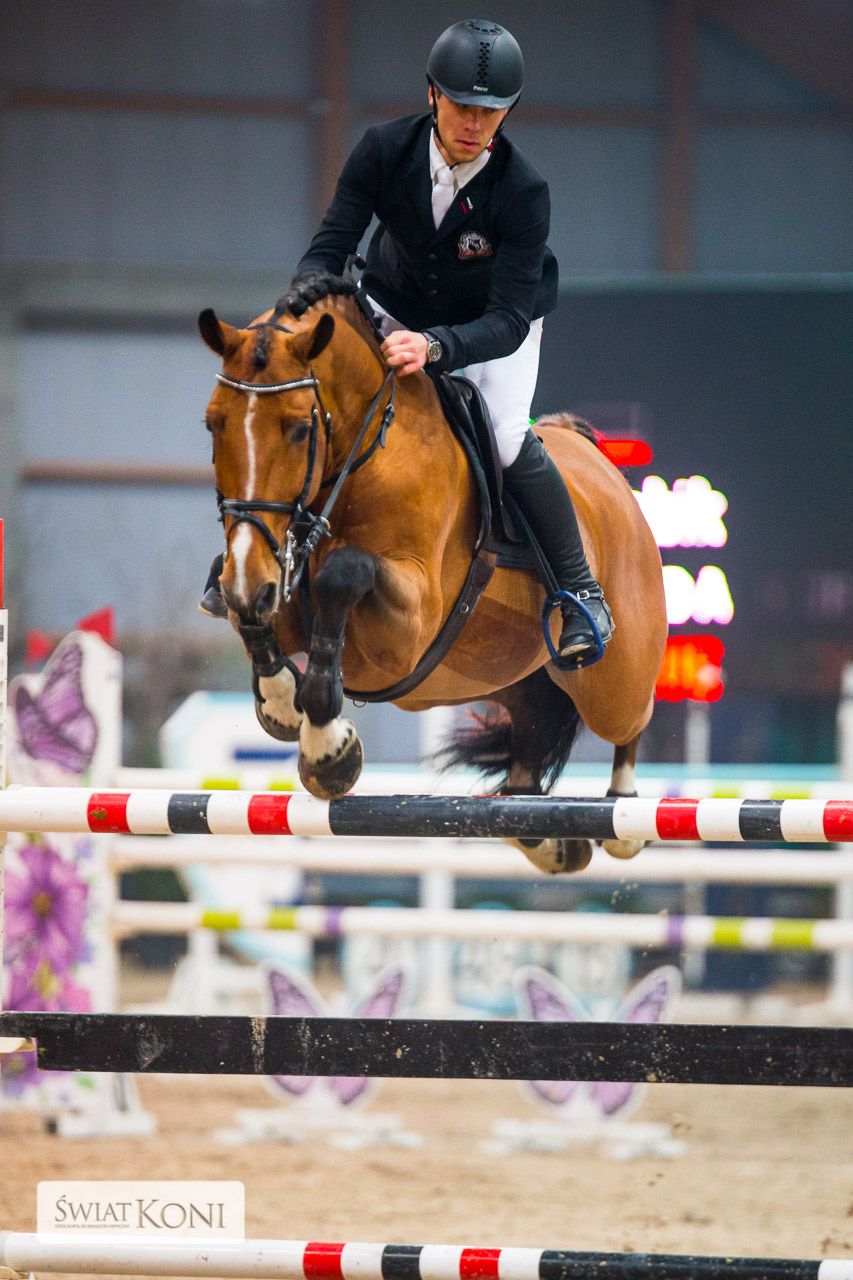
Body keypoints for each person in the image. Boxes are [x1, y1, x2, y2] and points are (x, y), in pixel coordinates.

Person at [202, 18, 612, 664]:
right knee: (310, 401)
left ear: (506, 113)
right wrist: (299, 315)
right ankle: (247, 547)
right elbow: (329, 249)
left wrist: (436, 348)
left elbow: (507, 319)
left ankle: (579, 589)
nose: (472, 123)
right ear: (431, 95)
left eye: (488, 111)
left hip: (490, 327)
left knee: (505, 436)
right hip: (392, 302)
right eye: (460, 106)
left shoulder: (523, 191)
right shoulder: (383, 150)